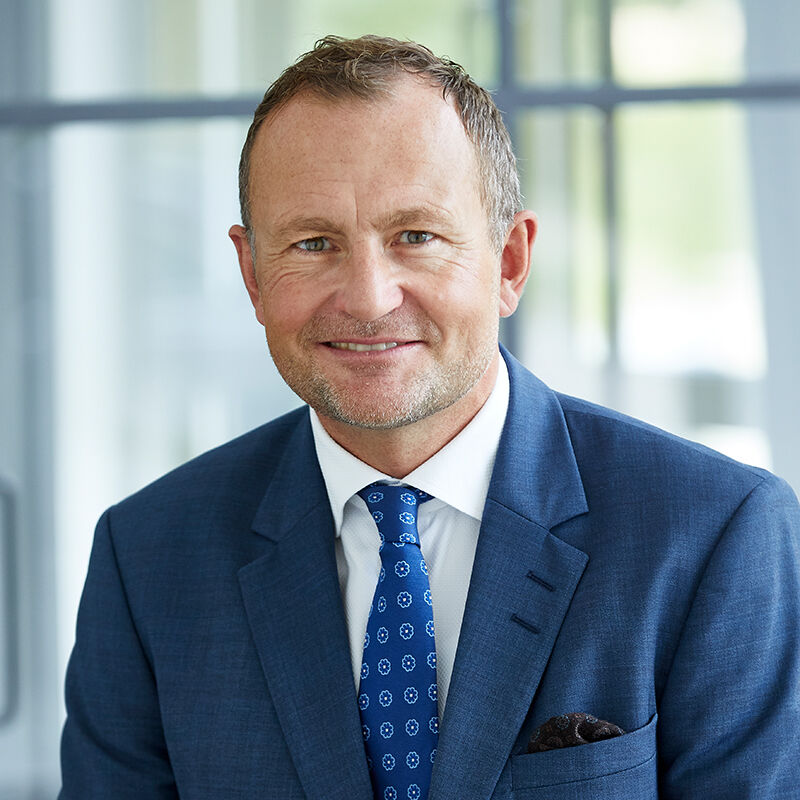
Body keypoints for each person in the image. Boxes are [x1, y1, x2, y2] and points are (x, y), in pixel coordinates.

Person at [59, 35, 800, 800]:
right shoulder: (147, 559)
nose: (368, 298)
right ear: (252, 274)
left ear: (509, 262)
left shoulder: (713, 535)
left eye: (415, 236)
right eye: (313, 243)